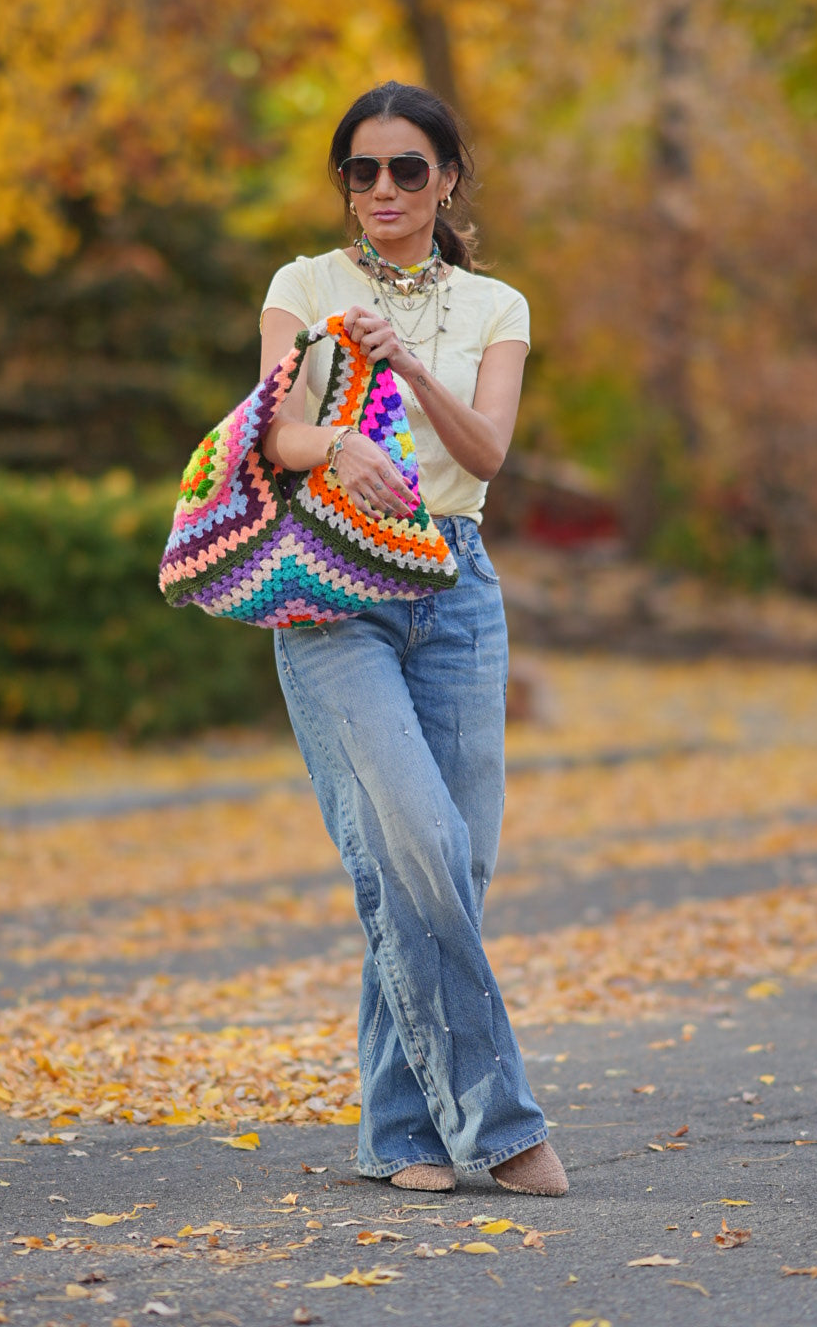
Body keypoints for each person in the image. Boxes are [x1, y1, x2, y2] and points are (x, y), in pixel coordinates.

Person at [258, 81, 568, 1197]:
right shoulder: (305, 285)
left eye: (406, 169)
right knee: (418, 844)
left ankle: (400, 1133)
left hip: (456, 584)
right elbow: (273, 427)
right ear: (345, 186)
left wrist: (414, 369)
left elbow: (485, 455)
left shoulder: (497, 304)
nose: (381, 190)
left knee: (450, 864)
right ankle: (504, 1123)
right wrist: (336, 442)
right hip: (335, 588)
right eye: (361, 171)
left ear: (446, 178)